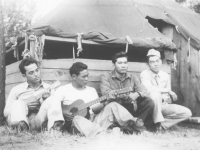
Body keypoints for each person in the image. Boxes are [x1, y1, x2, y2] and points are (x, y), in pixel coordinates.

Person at [49, 62, 145, 136]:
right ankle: (104, 132)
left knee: (113, 105)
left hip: (94, 120)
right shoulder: (63, 90)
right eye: (84, 76)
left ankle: (134, 124)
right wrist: (64, 112)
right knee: (78, 118)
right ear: (74, 76)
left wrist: (106, 102)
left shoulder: (91, 90)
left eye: (88, 75)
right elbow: (52, 105)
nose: (87, 79)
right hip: (75, 123)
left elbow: (95, 109)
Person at [4, 57, 61, 132]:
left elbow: (55, 108)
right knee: (18, 102)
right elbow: (6, 112)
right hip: (22, 120)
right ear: (24, 76)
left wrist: (44, 102)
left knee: (53, 99)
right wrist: (25, 104)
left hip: (39, 120)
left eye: (37, 70)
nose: (36, 74)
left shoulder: (48, 88)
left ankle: (54, 129)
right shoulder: (16, 89)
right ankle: (21, 129)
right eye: (31, 73)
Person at [100, 51, 155, 129]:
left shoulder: (133, 77)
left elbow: (145, 91)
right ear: (114, 65)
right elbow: (105, 93)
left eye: (125, 63)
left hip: (131, 106)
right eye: (120, 63)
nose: (123, 66)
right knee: (113, 104)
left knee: (149, 102)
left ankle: (135, 125)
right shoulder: (105, 76)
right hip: (117, 107)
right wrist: (124, 95)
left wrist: (136, 94)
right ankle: (127, 126)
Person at [140, 49, 192, 131]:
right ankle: (157, 123)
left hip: (163, 105)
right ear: (148, 64)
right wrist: (167, 90)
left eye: (157, 61)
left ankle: (160, 125)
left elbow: (168, 98)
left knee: (187, 112)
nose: (156, 64)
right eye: (152, 62)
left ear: (161, 61)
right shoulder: (144, 74)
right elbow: (149, 89)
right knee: (155, 94)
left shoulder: (165, 75)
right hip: (150, 107)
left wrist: (166, 96)